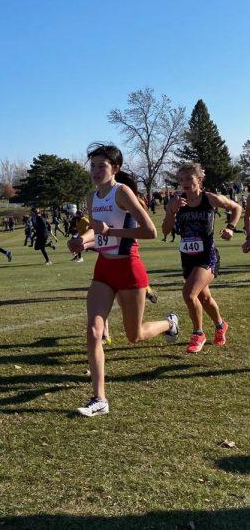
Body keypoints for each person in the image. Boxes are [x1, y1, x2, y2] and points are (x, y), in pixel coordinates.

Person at [68, 144, 179, 417]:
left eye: (101, 166)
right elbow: (97, 234)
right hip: (104, 270)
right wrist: (80, 241)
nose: (95, 171)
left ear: (114, 169)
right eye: (92, 166)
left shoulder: (123, 193)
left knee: (134, 335)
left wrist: (111, 229)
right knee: (94, 331)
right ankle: (99, 399)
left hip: (130, 270)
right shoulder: (92, 197)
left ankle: (169, 323)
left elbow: (150, 232)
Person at [162, 163, 242, 353]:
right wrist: (171, 212)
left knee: (189, 294)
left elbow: (236, 207)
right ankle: (221, 325)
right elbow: (165, 231)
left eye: (189, 178)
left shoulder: (210, 199)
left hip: (208, 256)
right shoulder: (176, 202)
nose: (184, 183)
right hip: (188, 258)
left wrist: (230, 227)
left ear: (199, 179)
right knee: (204, 298)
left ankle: (198, 334)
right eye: (181, 180)